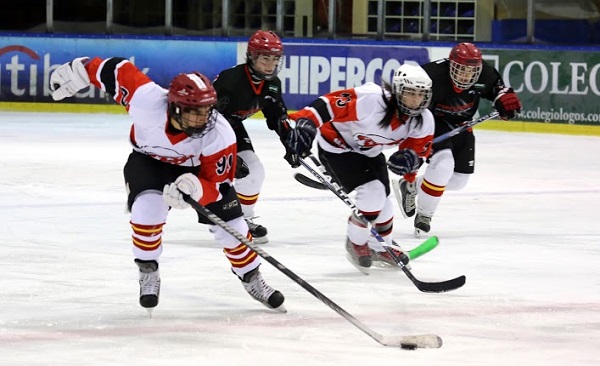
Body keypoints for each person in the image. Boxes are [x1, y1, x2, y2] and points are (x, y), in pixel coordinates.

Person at [49, 56, 286, 312]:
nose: (203, 119)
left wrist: (196, 189)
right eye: (194, 112)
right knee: (146, 211)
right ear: (173, 107)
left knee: (233, 227)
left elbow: (218, 186)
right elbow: (114, 69)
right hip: (149, 161)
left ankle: (252, 278)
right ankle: (148, 269)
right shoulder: (146, 101)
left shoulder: (221, 133)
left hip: (197, 170)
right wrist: (80, 70)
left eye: (206, 111)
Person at [288, 64, 435, 271]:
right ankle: (356, 242)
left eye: (421, 94)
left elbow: (418, 152)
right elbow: (329, 104)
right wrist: (307, 123)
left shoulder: (424, 121)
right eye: (410, 93)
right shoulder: (372, 100)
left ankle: (380, 247)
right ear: (397, 90)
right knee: (373, 193)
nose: (415, 100)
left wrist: (410, 162)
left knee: (384, 206)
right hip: (337, 147)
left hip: (370, 153)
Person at [395, 42, 522, 237]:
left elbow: (498, 91)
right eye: (461, 70)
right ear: (451, 65)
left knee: (458, 180)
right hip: (433, 121)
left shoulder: (485, 75)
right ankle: (424, 215)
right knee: (443, 164)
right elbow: (409, 101)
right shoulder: (431, 75)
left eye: (471, 72)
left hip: (462, 124)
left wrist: (505, 101)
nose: (465, 76)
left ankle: (411, 186)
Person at [213, 30, 295, 244]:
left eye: (275, 58)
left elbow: (278, 116)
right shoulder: (230, 80)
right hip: (207, 135)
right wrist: (225, 154)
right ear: (252, 56)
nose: (270, 64)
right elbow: (207, 121)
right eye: (265, 58)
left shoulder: (273, 84)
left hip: (232, 128)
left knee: (254, 171)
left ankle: (242, 220)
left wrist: (292, 141)